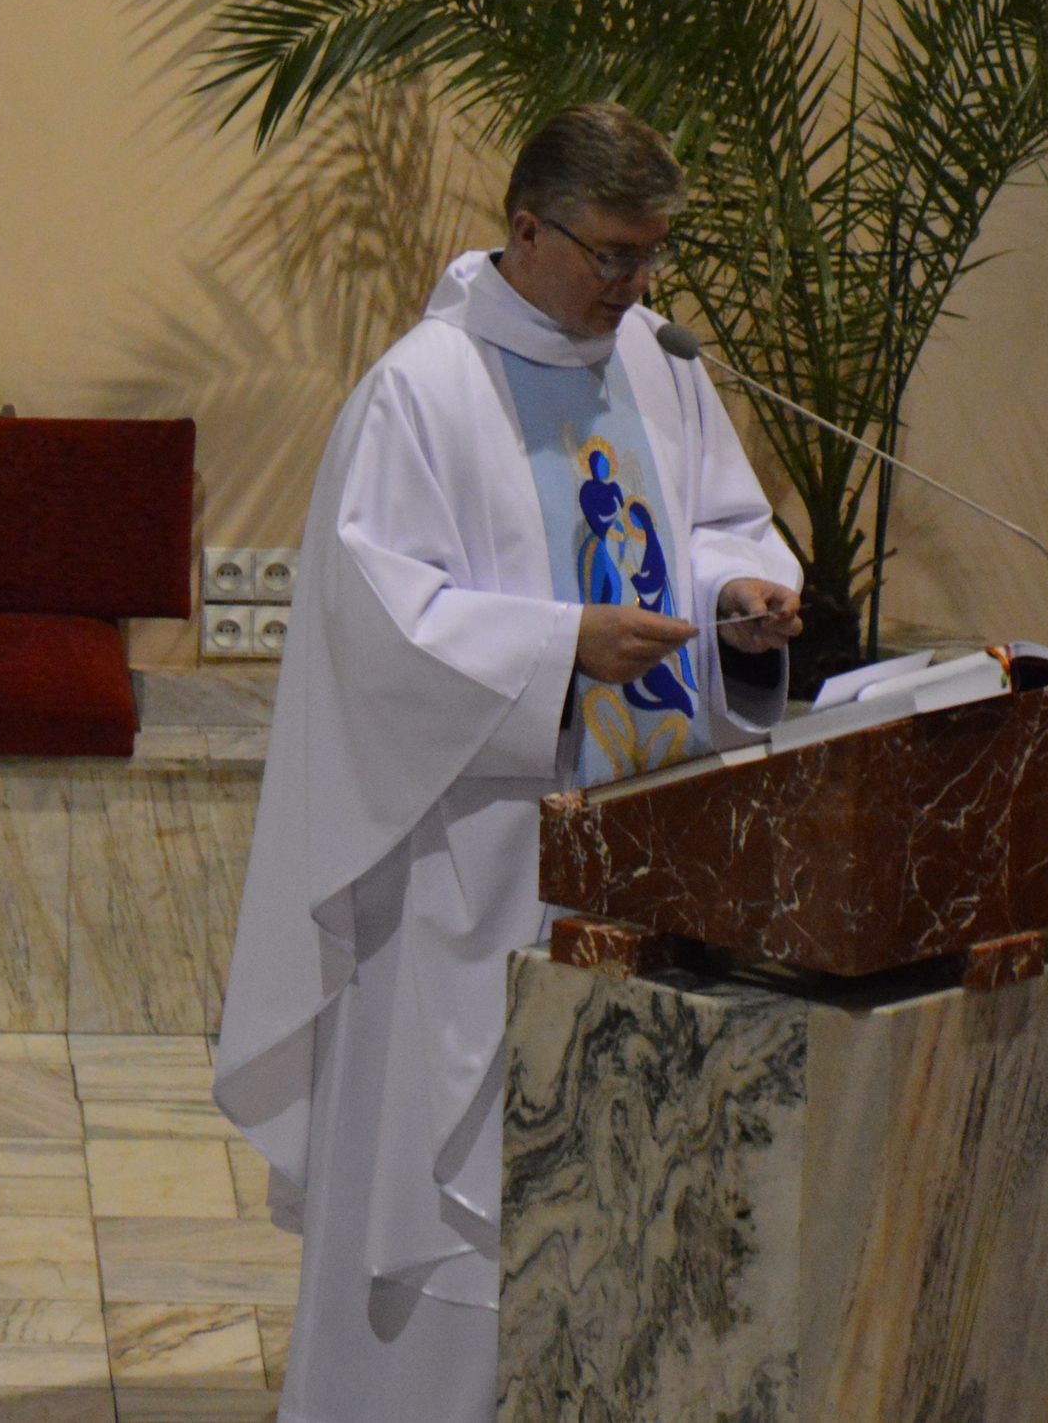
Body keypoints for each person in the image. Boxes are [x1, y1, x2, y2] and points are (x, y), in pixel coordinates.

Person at [213, 103, 806, 1423]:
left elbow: (717, 520)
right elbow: (379, 630)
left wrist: (738, 596)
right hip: (467, 870)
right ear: (527, 229)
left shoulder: (657, 360)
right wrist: (559, 648)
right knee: (447, 1194)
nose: (633, 284)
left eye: (650, 254)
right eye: (611, 254)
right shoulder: (420, 391)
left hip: (642, 846)